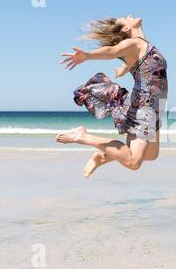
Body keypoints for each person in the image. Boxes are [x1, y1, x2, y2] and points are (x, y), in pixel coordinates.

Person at [56, 15, 168, 178]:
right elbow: (112, 51)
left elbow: (139, 63)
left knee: (150, 155)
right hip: (143, 107)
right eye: (124, 18)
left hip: (154, 108)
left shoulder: (143, 46)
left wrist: (125, 67)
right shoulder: (134, 43)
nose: (127, 16)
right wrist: (87, 56)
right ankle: (82, 136)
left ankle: (102, 157)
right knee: (133, 162)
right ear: (126, 28)